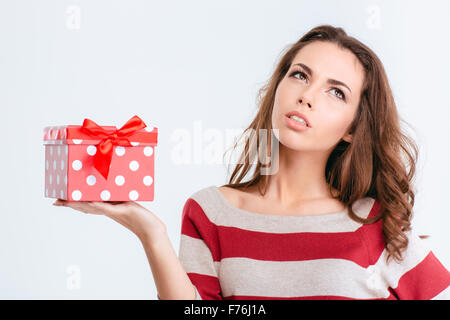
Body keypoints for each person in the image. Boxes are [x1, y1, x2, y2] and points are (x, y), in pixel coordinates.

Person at [53, 25, 450, 300]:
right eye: (299, 75)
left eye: (336, 92)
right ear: (277, 87)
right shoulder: (210, 212)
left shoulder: (375, 221)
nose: (307, 95)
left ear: (352, 129)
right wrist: (149, 232)